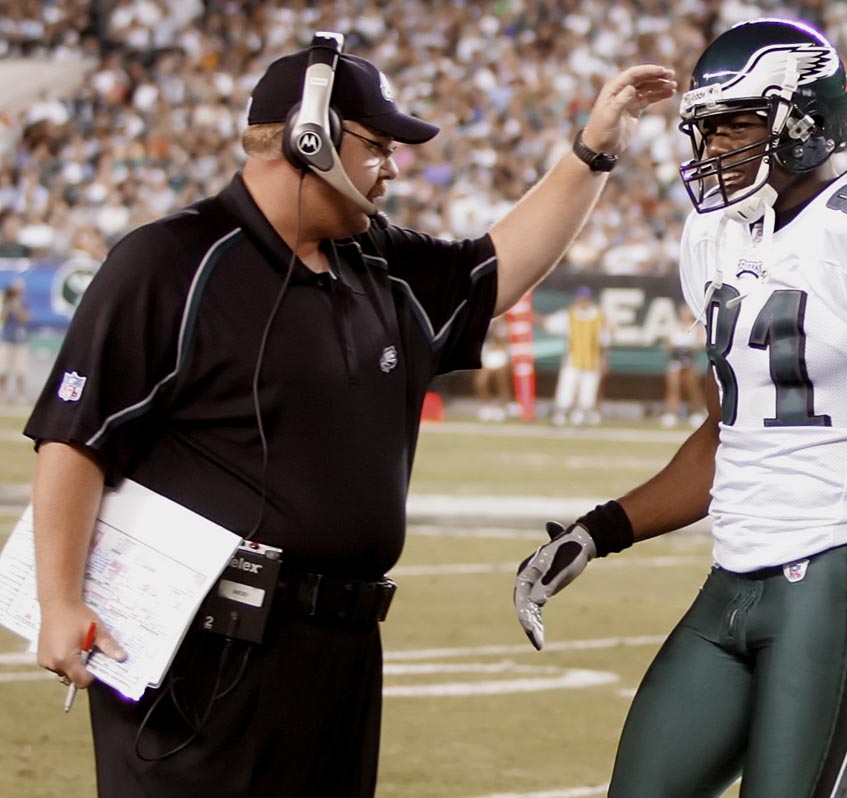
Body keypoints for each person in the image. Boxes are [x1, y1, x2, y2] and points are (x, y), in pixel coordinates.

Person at [25, 37, 676, 798]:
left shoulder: (378, 262)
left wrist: (592, 153)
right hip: (203, 652)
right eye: (378, 145)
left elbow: (496, 268)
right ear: (312, 137)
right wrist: (59, 601)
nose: (393, 166)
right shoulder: (169, 260)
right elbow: (76, 440)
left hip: (341, 648)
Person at [515, 18, 847, 798]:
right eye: (705, 132)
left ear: (804, 119)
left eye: (737, 125)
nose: (712, 153)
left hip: (837, 580)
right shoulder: (714, 237)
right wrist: (598, 531)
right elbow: (724, 435)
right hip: (731, 582)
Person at [551, 286, 607, 426]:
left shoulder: (598, 316)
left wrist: (603, 360)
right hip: (572, 359)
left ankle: (580, 415)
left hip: (591, 360)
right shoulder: (569, 315)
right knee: (566, 390)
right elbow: (550, 324)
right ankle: (561, 415)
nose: (583, 302)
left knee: (587, 392)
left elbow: (604, 341)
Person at [660, 302, 705, 427]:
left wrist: (687, 347)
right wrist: (676, 347)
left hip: (690, 361)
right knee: (673, 387)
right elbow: (667, 344)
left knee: (693, 387)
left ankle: (697, 413)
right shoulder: (674, 327)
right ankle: (670, 413)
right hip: (675, 361)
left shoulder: (697, 328)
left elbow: (700, 344)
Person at [474, 314, 516, 421]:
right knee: (481, 381)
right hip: (488, 353)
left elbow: (503, 339)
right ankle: (487, 406)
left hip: (501, 353)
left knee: (502, 382)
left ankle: (502, 408)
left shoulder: (503, 322)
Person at [0, 277, 31, 403]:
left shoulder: (24, 303)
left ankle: (20, 395)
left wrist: (17, 306)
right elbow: (2, 317)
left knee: (20, 370)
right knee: (3, 370)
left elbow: (25, 319)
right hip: (7, 339)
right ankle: (2, 394)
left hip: (20, 340)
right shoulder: (5, 302)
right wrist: (8, 305)